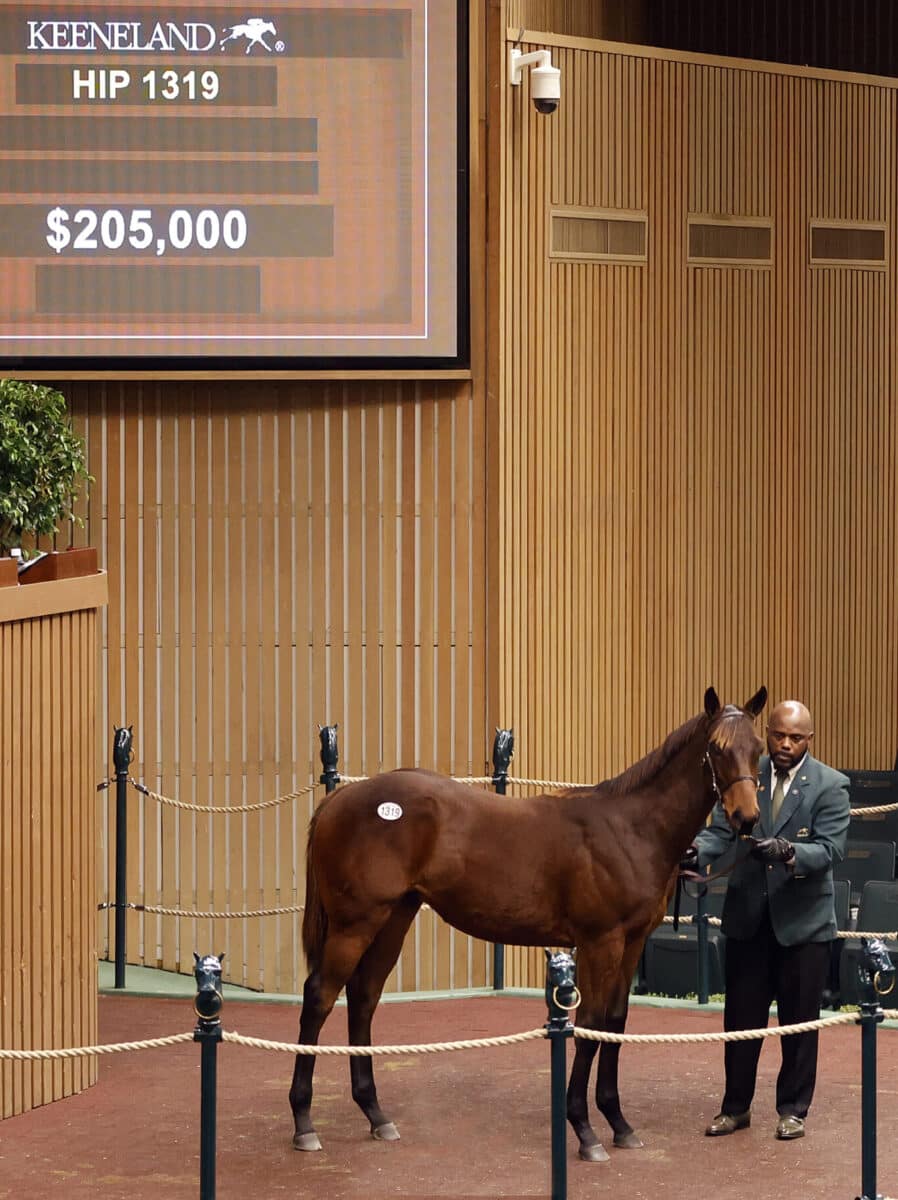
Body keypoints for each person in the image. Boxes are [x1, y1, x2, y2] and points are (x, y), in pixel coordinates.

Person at [683, 699, 850, 1141]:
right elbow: (720, 830)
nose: (785, 744)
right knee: (740, 1023)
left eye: (796, 738)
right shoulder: (745, 770)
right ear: (767, 734)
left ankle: (793, 1109)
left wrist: (791, 852)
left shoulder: (830, 785)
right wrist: (696, 851)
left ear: (809, 740)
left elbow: (831, 849)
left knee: (798, 1024)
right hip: (747, 922)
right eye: (778, 735)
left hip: (804, 927)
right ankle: (735, 1108)